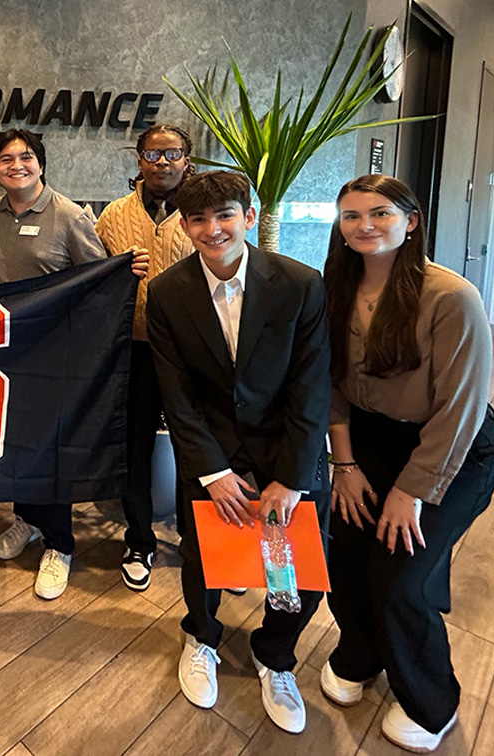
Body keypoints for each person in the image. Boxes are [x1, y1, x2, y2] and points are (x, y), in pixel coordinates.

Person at [320, 174, 494, 753]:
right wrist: (344, 467)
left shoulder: (450, 296)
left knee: (399, 578)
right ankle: (360, 653)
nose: (364, 225)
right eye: (351, 216)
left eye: (379, 213)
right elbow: (329, 386)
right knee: (346, 558)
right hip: (366, 442)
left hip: (450, 449)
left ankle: (429, 699)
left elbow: (461, 409)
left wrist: (413, 490)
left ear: (411, 221)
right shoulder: (335, 287)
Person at [147, 170, 331, 735]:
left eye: (225, 215)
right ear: (184, 225)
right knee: (202, 556)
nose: (212, 228)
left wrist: (293, 476)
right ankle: (201, 637)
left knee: (290, 568)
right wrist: (212, 471)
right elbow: (175, 394)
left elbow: (311, 384)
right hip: (212, 450)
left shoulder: (300, 283)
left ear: (249, 217)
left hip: (286, 447)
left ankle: (275, 656)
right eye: (198, 219)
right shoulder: (168, 290)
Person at [0, 128, 148, 599]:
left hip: (56, 354)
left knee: (50, 446)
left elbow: (96, 277)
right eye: (6, 158)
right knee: (13, 441)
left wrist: (123, 270)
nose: (17, 165)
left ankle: (59, 543)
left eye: (26, 157)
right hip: (6, 352)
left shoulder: (69, 215)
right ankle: (25, 520)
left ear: (41, 163)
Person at [95, 123, 195, 591]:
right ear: (138, 161)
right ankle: (139, 539)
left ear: (187, 160)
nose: (162, 163)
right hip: (131, 352)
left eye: (171, 154)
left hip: (190, 356)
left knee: (197, 450)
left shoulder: (203, 213)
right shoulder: (113, 215)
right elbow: (92, 279)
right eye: (152, 155)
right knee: (133, 449)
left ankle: (200, 542)